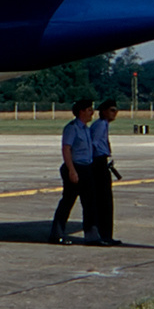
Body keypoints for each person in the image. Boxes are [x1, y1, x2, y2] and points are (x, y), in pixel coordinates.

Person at [50, 99, 97, 244]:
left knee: (89, 204)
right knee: (68, 202)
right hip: (75, 167)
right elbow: (66, 149)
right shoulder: (72, 128)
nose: (92, 113)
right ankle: (57, 233)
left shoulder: (86, 129)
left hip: (86, 168)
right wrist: (71, 170)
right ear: (81, 112)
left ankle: (91, 235)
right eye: (89, 110)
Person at [89, 100, 121, 245]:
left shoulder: (103, 125)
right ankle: (104, 235)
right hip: (98, 162)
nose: (115, 113)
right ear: (104, 111)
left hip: (101, 161)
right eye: (112, 110)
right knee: (104, 201)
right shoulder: (101, 125)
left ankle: (106, 234)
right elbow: (94, 143)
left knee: (104, 200)